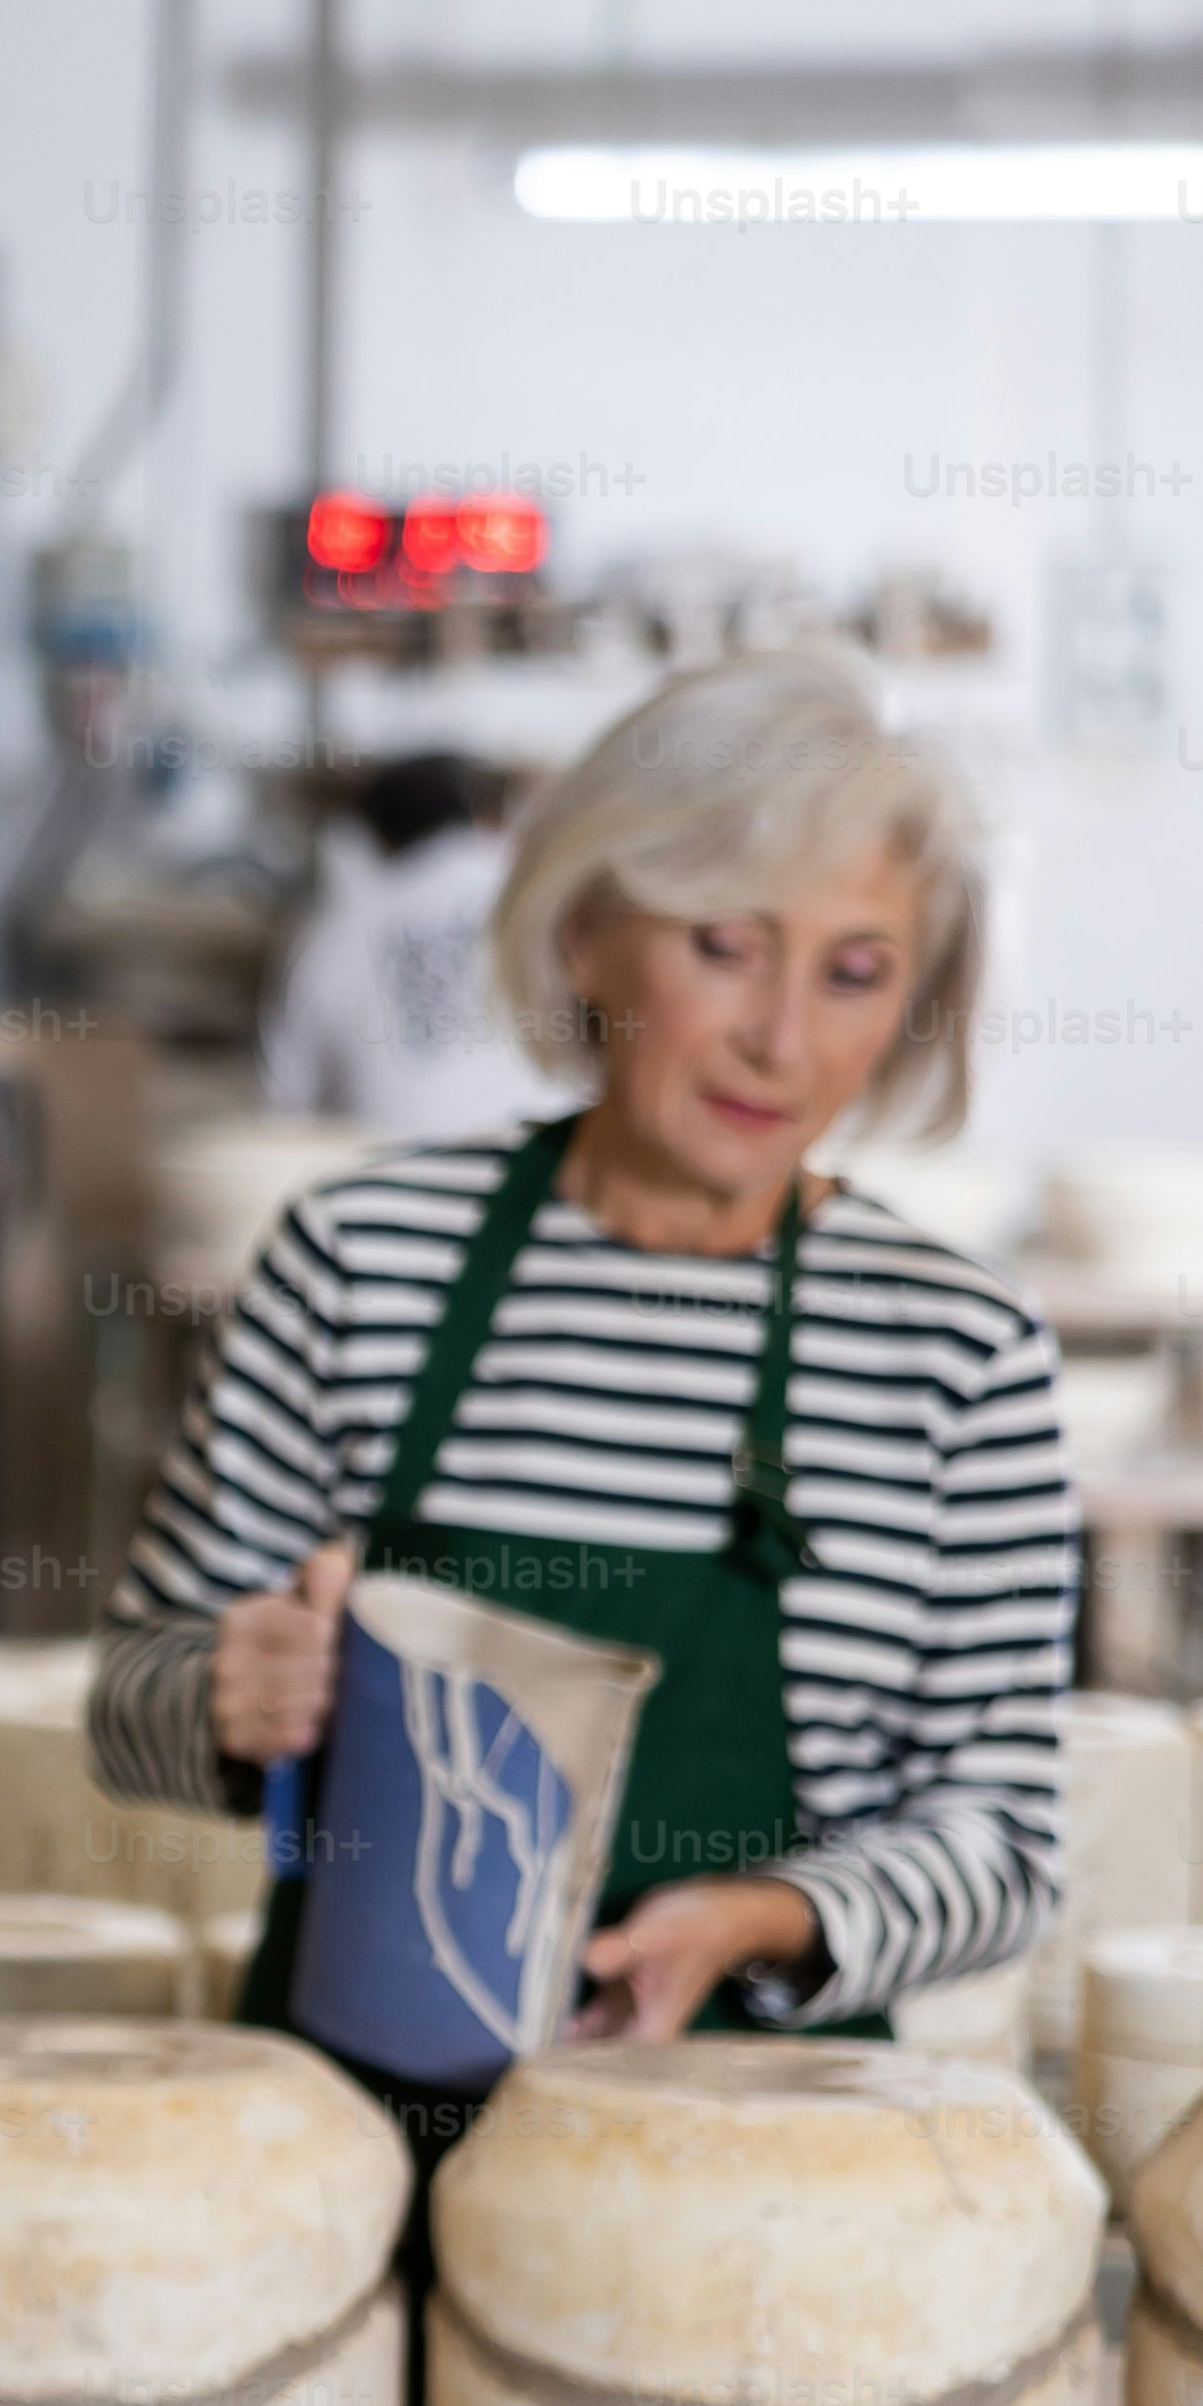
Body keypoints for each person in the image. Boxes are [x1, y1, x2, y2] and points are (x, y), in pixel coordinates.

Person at [98, 650, 1073, 2212]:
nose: (781, 1039)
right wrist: (230, 1689)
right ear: (587, 934)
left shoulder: (958, 1352)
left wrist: (754, 1917)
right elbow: (128, 1696)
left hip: (753, 2177)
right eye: (725, 948)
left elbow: (1008, 1837)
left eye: (854, 971)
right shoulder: (364, 1260)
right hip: (350, 2166)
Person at [261, 748, 560, 1137]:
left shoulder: (334, 933)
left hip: (387, 1177)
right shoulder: (545, 897)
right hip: (548, 1167)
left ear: (378, 837)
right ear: (481, 813)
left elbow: (283, 1104)